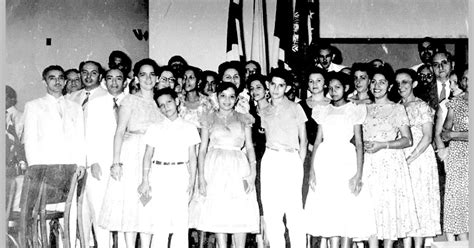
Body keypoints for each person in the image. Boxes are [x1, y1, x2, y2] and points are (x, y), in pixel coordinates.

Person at [304, 71, 376, 248]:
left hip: (346, 161)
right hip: (325, 162)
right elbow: (318, 140)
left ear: (346, 88)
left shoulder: (355, 109)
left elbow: (359, 144)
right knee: (329, 212)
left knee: (346, 210)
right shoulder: (322, 110)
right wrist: (312, 170)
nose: (333, 91)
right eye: (330, 88)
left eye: (337, 87)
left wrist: (358, 174)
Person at [99, 58, 165, 248]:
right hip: (132, 155)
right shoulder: (129, 100)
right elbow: (120, 131)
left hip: (155, 156)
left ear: (157, 78)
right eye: (143, 74)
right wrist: (116, 162)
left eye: (152, 74)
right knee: (130, 204)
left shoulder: (161, 102)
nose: (148, 78)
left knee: (148, 204)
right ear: (136, 78)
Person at [23, 65, 86, 247]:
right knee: (46, 216)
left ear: (65, 82)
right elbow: (30, 140)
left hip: (69, 169)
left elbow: (80, 138)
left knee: (69, 213)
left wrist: (80, 163)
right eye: (52, 78)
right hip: (45, 170)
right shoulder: (34, 106)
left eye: (60, 78)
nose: (57, 81)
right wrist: (36, 169)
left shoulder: (75, 107)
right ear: (45, 82)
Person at [361, 65, 418, 247]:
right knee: (370, 214)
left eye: (382, 82)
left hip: (389, 164)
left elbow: (407, 140)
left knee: (388, 213)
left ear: (389, 86)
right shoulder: (362, 108)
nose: (377, 86)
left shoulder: (397, 109)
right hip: (368, 164)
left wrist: (382, 145)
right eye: (374, 82)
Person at [198, 82, 259, 248]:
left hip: (238, 166)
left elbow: (250, 147)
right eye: (223, 96)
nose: (227, 100)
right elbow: (202, 149)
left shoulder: (243, 117)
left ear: (237, 98)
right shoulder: (208, 117)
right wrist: (201, 177)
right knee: (219, 209)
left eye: (232, 96)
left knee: (240, 209)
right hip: (215, 166)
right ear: (217, 97)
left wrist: (253, 173)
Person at [137, 87, 200, 247]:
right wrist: (145, 180)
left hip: (180, 174)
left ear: (177, 101)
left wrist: (192, 181)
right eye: (162, 105)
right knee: (160, 222)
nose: (166, 107)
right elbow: (147, 155)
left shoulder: (189, 127)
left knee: (180, 222)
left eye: (169, 102)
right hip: (159, 174)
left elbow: (193, 157)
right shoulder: (155, 128)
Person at [259, 68, 307, 248]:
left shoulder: (296, 107)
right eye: (273, 84)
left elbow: (304, 139)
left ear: (287, 88)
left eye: (281, 85)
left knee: (294, 210)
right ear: (268, 85)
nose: (276, 89)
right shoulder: (265, 110)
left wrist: (298, 163)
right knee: (272, 209)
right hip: (271, 158)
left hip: (291, 159)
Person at [82, 67, 127, 247]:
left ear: (125, 82)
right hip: (99, 163)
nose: (114, 82)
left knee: (124, 211)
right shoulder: (94, 104)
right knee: (100, 211)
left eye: (118, 78)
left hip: (124, 163)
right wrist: (92, 161)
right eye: (110, 78)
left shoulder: (132, 102)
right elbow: (87, 134)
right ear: (104, 81)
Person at [396, 68, 441, 248]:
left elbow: (428, 136)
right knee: (406, 207)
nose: (401, 86)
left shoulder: (421, 106)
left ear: (414, 84)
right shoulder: (396, 107)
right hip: (401, 160)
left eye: (405, 82)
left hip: (419, 159)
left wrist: (410, 159)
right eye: (398, 83)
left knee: (419, 205)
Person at [438, 67, 469, 242]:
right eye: (464, 78)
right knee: (458, 203)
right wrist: (452, 134)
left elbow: (452, 134)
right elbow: (445, 132)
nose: (466, 82)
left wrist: (457, 135)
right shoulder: (455, 103)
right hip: (458, 156)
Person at [298, 67, 330, 203]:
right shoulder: (300, 106)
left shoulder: (332, 105)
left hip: (328, 153)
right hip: (307, 153)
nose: (314, 84)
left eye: (318, 80)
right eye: (311, 81)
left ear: (325, 83)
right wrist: (310, 148)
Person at [248, 74, 271, 248]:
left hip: (270, 161)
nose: (255, 91)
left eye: (259, 87)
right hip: (252, 161)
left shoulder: (273, 110)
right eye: (252, 88)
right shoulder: (248, 114)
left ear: (266, 89)